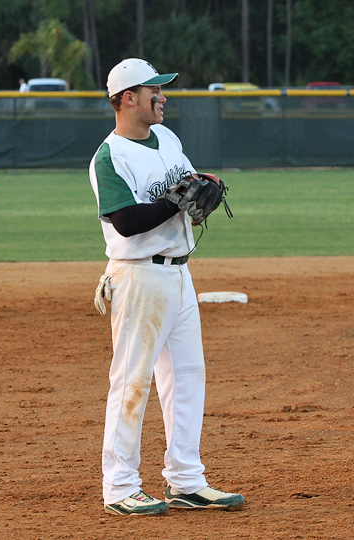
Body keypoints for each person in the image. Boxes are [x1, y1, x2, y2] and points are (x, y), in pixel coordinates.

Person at [88, 58, 244, 516]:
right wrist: (175, 199)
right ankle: (119, 486)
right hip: (137, 277)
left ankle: (186, 479)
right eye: (154, 89)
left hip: (179, 274)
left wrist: (203, 186)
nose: (163, 95)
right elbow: (127, 221)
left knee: (187, 379)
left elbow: (187, 188)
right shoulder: (110, 156)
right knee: (132, 381)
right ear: (127, 98)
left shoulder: (168, 138)